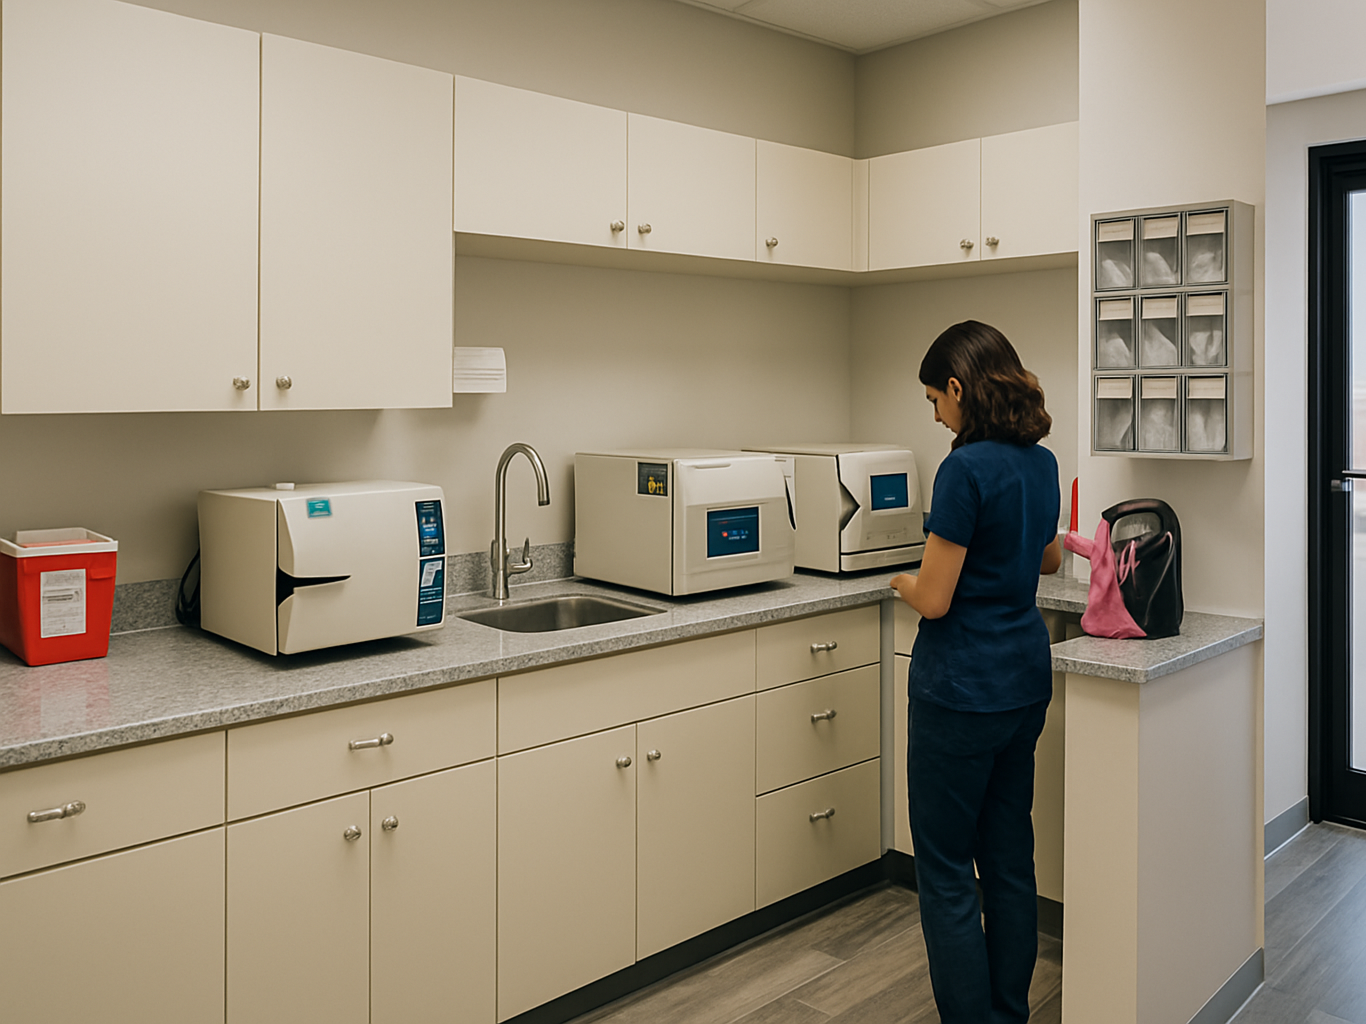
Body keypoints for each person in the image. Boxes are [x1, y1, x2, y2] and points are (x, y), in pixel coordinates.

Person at [889, 320, 1062, 1024]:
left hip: (958, 694)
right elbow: (1048, 560)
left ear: (959, 388)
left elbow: (935, 596)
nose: (935, 414)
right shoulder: (1041, 462)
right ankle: (1008, 1012)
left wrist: (900, 580)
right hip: (1022, 685)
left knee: (947, 871)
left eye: (935, 399)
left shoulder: (963, 469)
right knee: (1009, 860)